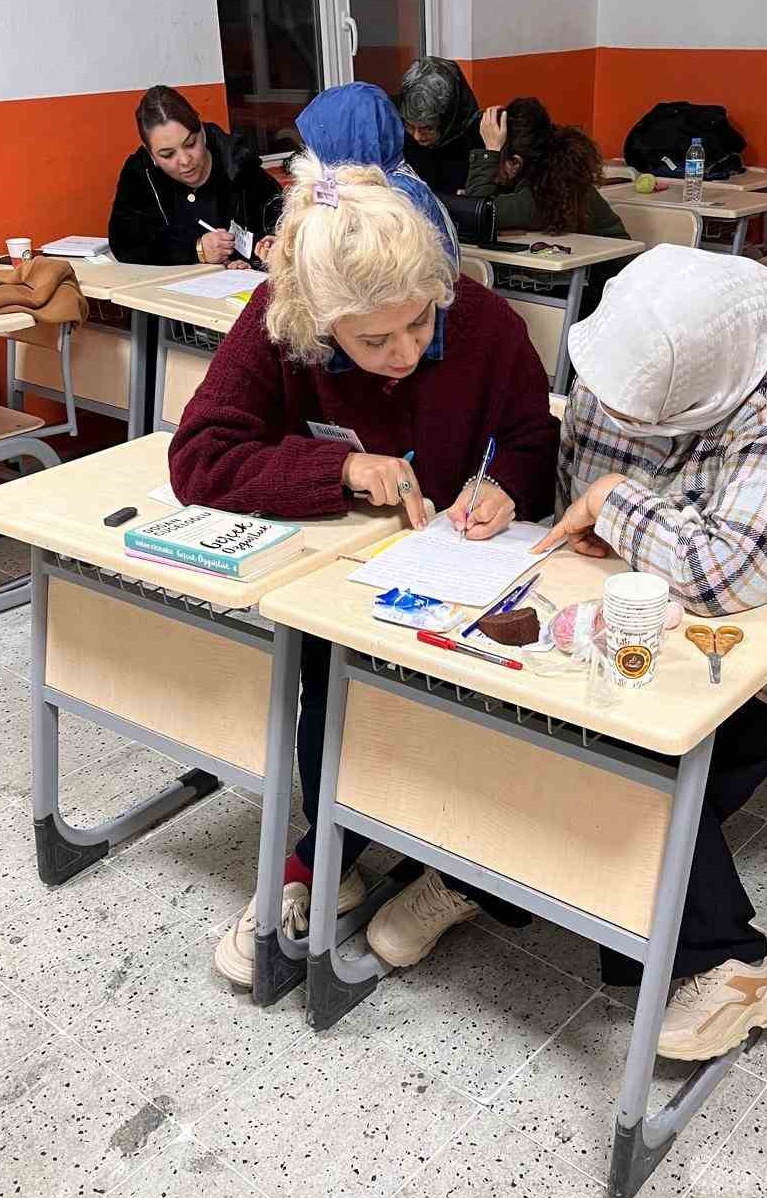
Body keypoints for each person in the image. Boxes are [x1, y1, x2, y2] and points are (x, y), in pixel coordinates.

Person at [168, 153, 559, 989]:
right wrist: (338, 470)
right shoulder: (280, 319)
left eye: (419, 324)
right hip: (344, 591)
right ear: (319, 320)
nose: (404, 352)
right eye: (373, 340)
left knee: (466, 713)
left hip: (462, 583)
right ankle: (331, 843)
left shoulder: (485, 324)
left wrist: (503, 484)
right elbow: (199, 455)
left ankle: (458, 866)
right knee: (331, 680)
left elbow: (534, 440)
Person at [521, 245, 767, 1060]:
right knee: (534, 727)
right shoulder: (617, 358)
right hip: (648, 618)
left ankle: (735, 966)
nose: (615, 419)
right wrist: (602, 524)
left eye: (640, 417)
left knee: (621, 773)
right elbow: (580, 505)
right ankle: (486, 876)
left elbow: (728, 576)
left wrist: (614, 504)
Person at [108, 85, 282, 266]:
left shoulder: (239, 164)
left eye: (190, 144)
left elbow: (285, 236)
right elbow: (125, 243)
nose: (185, 160)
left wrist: (255, 263)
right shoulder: (141, 172)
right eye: (167, 155)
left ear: (202, 132)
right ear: (150, 154)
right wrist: (196, 250)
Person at [295, 82, 459, 262]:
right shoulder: (366, 182)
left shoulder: (395, 195)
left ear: (347, 140)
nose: (313, 155)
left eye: (319, 144)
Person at [465, 97, 628, 239]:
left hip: (611, 265)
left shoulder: (545, 195)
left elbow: (477, 213)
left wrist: (490, 152)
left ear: (515, 164)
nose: (493, 168)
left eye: (496, 160)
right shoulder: (550, 177)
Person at [396, 57, 483, 195]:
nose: (417, 136)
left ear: (448, 120)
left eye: (428, 128)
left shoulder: (476, 139)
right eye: (410, 126)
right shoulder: (399, 134)